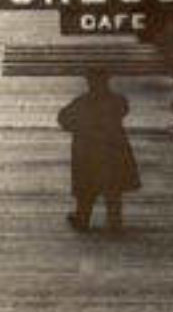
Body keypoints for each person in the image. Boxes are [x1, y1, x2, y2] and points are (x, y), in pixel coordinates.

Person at [57, 71, 141, 232]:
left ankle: (83, 219)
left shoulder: (81, 103)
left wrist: (78, 128)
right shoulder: (117, 101)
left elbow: (63, 118)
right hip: (112, 150)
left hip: (87, 150)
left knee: (86, 191)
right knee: (113, 190)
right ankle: (114, 221)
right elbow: (124, 109)